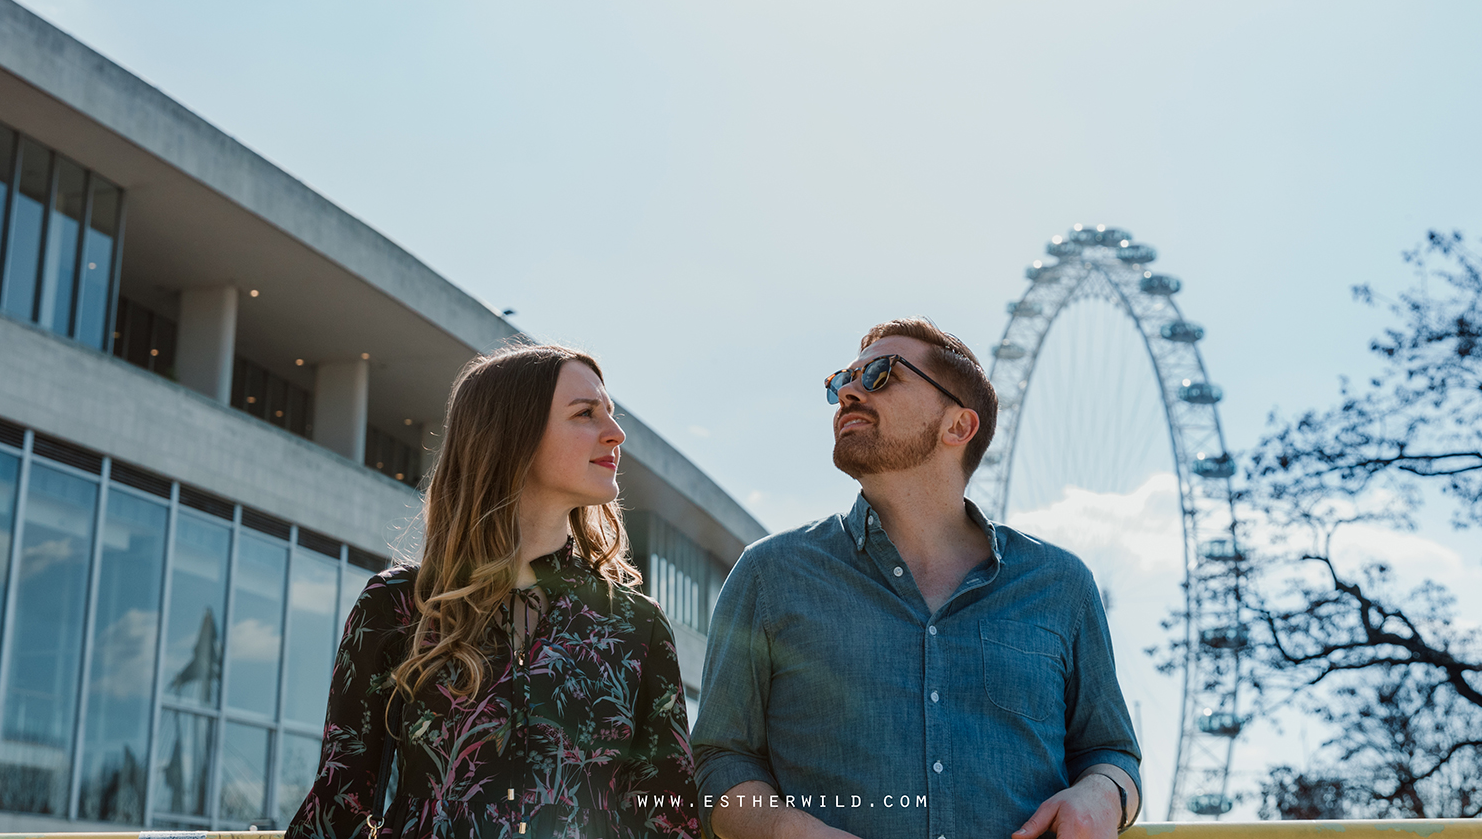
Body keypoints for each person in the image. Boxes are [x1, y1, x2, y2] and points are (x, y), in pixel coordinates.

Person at [692, 318, 1142, 839]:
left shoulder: (1062, 586)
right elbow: (720, 762)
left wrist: (1101, 794)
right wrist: (786, 830)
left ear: (958, 427)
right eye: (843, 381)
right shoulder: (769, 575)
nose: (850, 393)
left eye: (881, 375)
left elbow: (1112, 753)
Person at [289, 344, 699, 839]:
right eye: (585, 414)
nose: (616, 433)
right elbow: (340, 802)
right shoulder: (396, 604)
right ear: (513, 434)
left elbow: (671, 814)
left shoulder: (635, 623)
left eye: (609, 413)